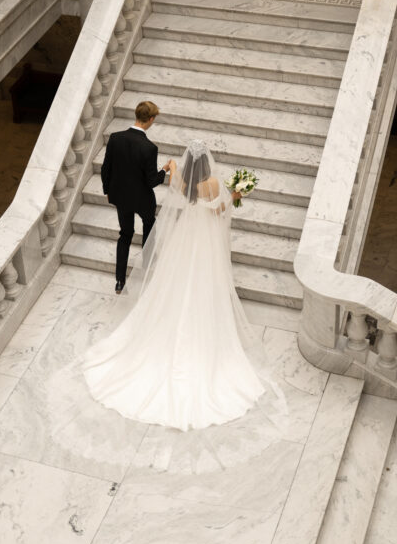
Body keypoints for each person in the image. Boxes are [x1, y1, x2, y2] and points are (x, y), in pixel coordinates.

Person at [83, 139, 269, 431]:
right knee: (206, 281)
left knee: (174, 280)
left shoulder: (183, 183)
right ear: (208, 164)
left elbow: (174, 181)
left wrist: (171, 167)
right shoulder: (213, 184)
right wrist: (236, 193)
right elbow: (221, 212)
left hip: (185, 236)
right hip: (205, 239)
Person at [100, 100, 175, 294]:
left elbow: (105, 168)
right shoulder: (149, 148)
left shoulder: (115, 138)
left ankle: (119, 281)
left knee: (125, 235)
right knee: (149, 224)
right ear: (150, 119)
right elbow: (152, 181)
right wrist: (165, 169)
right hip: (142, 199)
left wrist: (108, 191)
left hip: (121, 197)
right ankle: (147, 263)